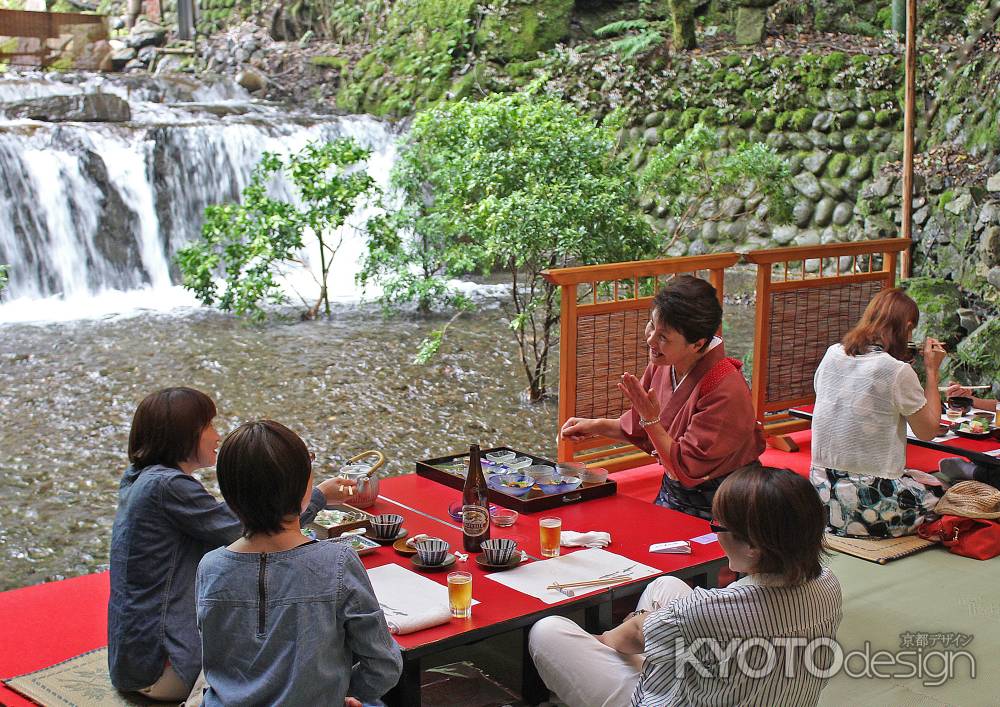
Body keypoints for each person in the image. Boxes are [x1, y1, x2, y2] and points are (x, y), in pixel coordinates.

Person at [108, 387, 355, 700]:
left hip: (131, 660)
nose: (217, 435)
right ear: (184, 436)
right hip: (165, 665)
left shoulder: (140, 477)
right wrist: (316, 496)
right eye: (209, 426)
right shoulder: (166, 486)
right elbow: (255, 528)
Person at [528, 465, 842, 707]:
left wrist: (598, 641)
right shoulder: (828, 584)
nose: (717, 533)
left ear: (753, 548)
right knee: (665, 585)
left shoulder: (708, 611)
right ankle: (653, 658)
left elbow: (625, 639)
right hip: (755, 690)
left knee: (550, 631)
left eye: (718, 525)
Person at [196, 420, 402, 705]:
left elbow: (216, 661)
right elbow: (384, 666)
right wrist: (342, 693)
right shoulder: (338, 562)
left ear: (229, 496)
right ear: (304, 488)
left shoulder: (210, 567)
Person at [560, 275, 764, 518]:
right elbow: (642, 428)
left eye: (663, 337)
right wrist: (596, 425)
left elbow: (684, 465)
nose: (650, 340)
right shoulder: (665, 362)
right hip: (675, 493)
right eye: (651, 325)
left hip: (723, 502)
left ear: (697, 344)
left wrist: (650, 420)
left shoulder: (724, 388)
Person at [810, 288, 947, 538]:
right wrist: (932, 371)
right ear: (906, 327)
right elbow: (928, 431)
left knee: (919, 477)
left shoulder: (832, 354)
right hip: (872, 505)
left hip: (822, 500)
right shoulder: (896, 371)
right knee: (942, 491)